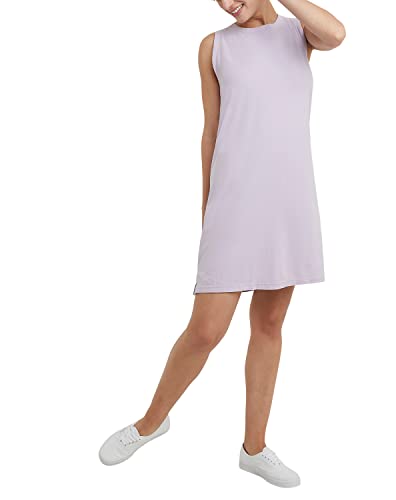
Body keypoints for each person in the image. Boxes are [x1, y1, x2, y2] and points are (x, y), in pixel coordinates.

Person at [98, 0, 345, 488]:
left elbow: (336, 34)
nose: (228, 3)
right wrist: (208, 207)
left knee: (269, 324)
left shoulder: (298, 34)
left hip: (288, 200)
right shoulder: (214, 47)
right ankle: (150, 423)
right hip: (234, 201)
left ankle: (255, 448)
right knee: (206, 330)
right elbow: (210, 133)